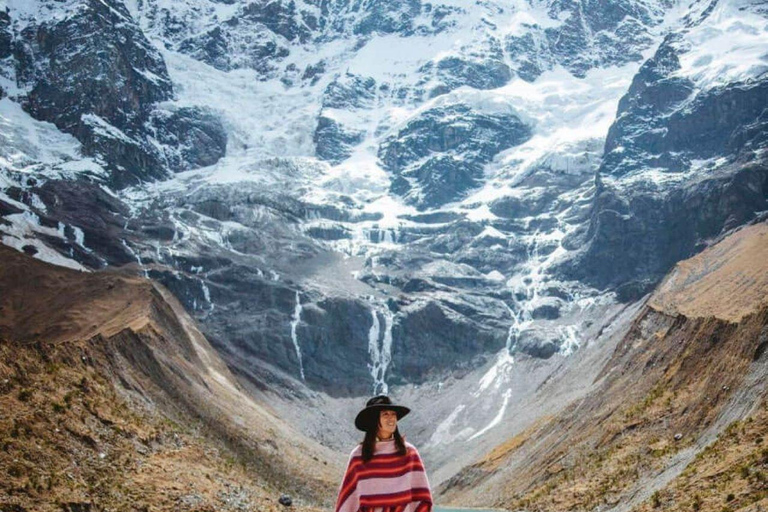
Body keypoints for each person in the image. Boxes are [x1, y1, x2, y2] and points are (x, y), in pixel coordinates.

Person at [334, 395, 433, 512]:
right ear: (374, 420)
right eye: (385, 414)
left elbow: (421, 497)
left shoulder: (409, 453)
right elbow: (349, 499)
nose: (391, 418)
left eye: (393, 414)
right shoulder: (358, 456)